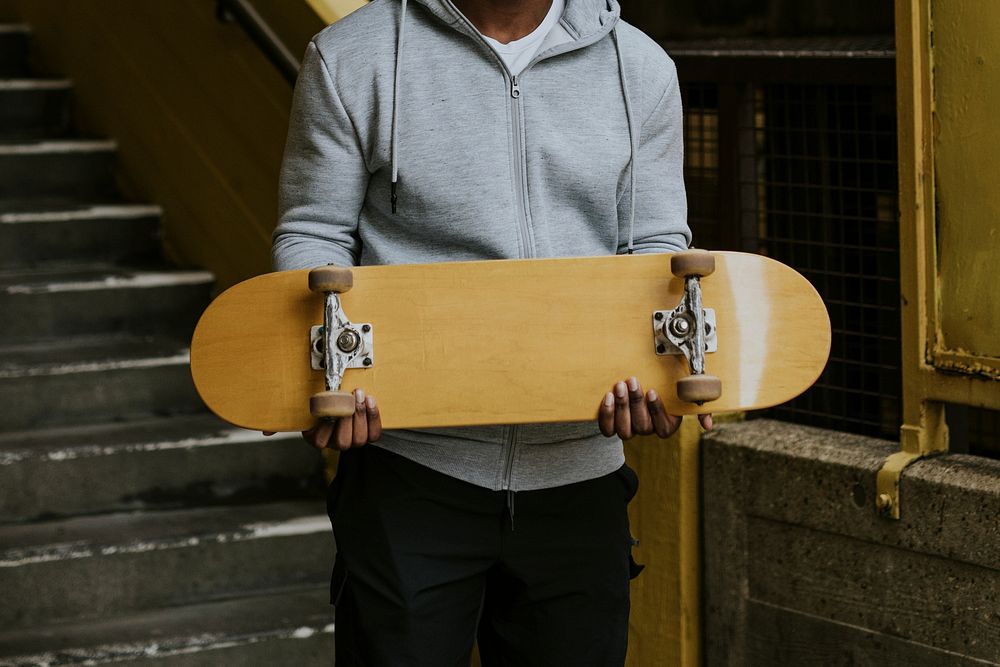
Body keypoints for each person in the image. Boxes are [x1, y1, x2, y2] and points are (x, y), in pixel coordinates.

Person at [272, 0, 710, 663]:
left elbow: (656, 254)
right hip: (407, 471)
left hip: (579, 481)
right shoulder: (351, 57)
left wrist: (662, 388)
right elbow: (314, 233)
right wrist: (322, 383)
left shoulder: (640, 67)